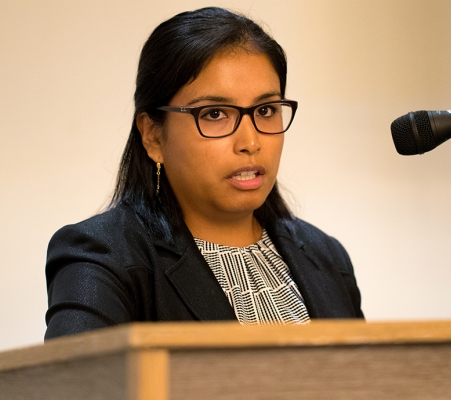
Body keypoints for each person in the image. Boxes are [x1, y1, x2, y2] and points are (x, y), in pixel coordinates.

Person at [44, 7, 363, 340]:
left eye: (266, 110)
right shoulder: (101, 256)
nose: (250, 142)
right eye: (214, 114)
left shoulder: (325, 255)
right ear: (153, 136)